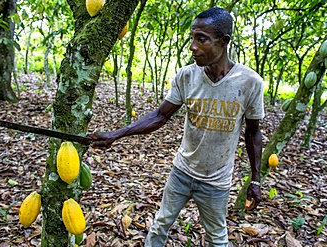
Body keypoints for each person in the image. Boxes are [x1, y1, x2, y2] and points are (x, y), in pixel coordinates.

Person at [88, 7, 264, 247]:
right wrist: (115, 135)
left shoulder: (250, 82)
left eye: (202, 39)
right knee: (160, 224)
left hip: (216, 181)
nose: (193, 46)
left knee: (217, 238)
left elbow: (253, 132)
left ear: (224, 42)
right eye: (192, 38)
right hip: (182, 172)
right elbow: (160, 116)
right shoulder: (187, 76)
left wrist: (255, 180)